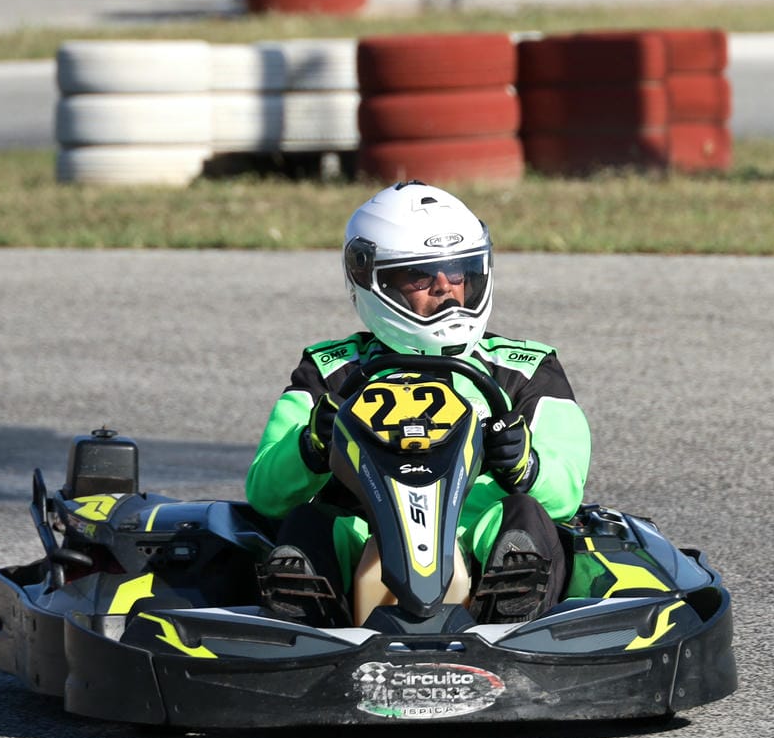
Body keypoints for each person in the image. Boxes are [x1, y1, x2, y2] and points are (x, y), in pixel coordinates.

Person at [245, 180, 592, 628]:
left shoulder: (524, 369)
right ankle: (306, 634)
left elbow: (567, 494)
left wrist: (526, 465)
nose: (446, 290)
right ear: (371, 281)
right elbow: (265, 494)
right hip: (366, 536)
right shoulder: (331, 371)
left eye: (459, 273)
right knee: (308, 524)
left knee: (526, 518)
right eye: (421, 277)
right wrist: (310, 445)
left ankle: (509, 627)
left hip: (478, 537)